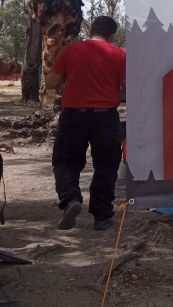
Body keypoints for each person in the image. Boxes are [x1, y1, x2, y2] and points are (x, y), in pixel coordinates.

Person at [45, 16, 126, 231]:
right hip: (106, 117)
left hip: (74, 115)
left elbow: (51, 83)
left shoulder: (71, 51)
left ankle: (70, 199)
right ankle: (101, 217)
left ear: (91, 31)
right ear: (112, 35)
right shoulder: (120, 54)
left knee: (65, 161)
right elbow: (130, 86)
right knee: (106, 165)